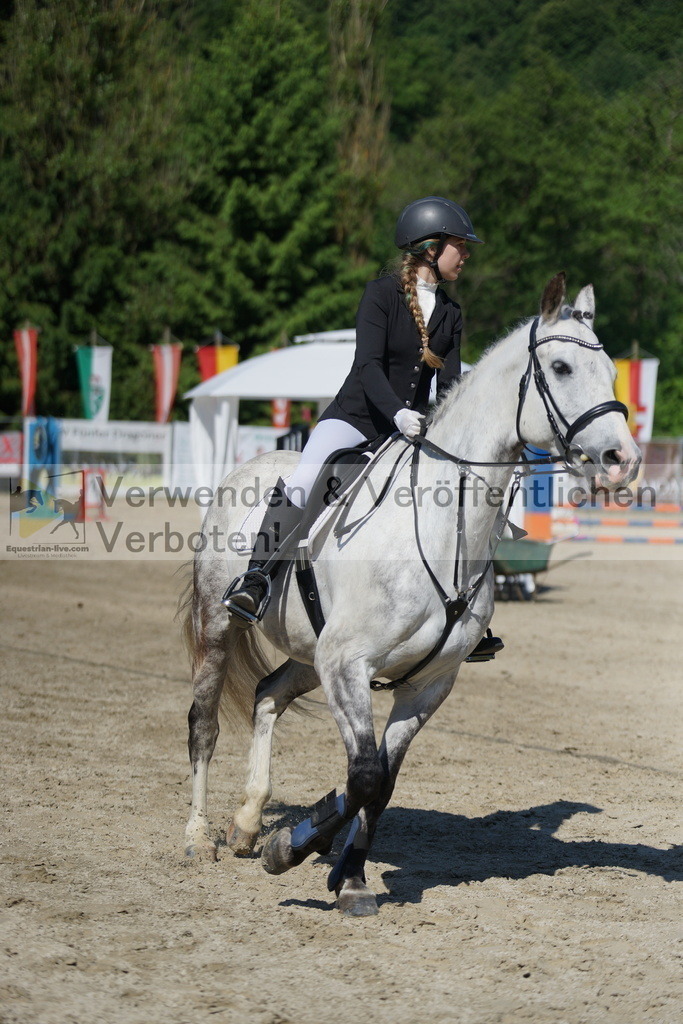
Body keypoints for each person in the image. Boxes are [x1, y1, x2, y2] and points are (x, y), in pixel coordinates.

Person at [223, 196, 502, 662]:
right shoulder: (381, 295)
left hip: (410, 430)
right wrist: (397, 413)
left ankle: (462, 610)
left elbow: (451, 386)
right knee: (307, 475)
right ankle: (255, 577)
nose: (466, 254)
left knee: (451, 496)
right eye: (460, 245)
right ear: (431, 248)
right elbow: (367, 365)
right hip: (356, 418)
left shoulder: (451, 314)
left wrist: (450, 427)